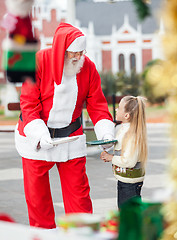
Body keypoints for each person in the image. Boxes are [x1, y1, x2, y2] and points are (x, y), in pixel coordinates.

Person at [14, 23, 115, 229]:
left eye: (81, 52)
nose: (78, 57)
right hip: (37, 139)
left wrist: (105, 132)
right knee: (37, 199)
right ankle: (44, 234)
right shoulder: (39, 62)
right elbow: (28, 103)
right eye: (73, 53)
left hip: (71, 137)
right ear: (62, 51)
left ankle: (82, 233)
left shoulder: (88, 67)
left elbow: (97, 104)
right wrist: (39, 133)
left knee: (79, 197)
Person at [100, 96, 148, 208]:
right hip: (125, 181)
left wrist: (111, 158)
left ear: (127, 115)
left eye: (119, 108)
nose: (116, 109)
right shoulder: (124, 130)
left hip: (130, 184)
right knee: (126, 213)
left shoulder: (131, 134)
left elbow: (129, 161)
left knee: (129, 215)